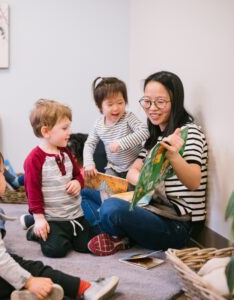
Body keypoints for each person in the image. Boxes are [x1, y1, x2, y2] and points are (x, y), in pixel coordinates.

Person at [0, 142, 119, 300]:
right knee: (33, 269)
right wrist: (30, 281)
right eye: (2, 174)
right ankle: (85, 289)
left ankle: (20, 294)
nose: (6, 179)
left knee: (14, 263)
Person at [83, 71, 208, 255]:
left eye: (160, 102)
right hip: (148, 205)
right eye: (147, 101)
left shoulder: (189, 133)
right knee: (85, 191)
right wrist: (147, 182)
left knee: (111, 207)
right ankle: (117, 235)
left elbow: (194, 181)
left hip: (177, 224)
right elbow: (133, 171)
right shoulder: (155, 136)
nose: (152, 108)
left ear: (176, 101)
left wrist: (173, 156)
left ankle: (111, 232)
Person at [22, 99, 95, 258]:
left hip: (75, 215)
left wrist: (77, 182)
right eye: (64, 128)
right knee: (55, 251)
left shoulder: (66, 152)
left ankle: (65, 234)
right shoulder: (34, 159)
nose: (70, 132)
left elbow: (77, 175)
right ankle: (35, 230)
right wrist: (40, 219)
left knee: (87, 245)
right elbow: (32, 192)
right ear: (46, 132)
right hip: (52, 218)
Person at [83, 77, 149, 179]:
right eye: (110, 104)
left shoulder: (128, 117)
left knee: (132, 191)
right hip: (113, 168)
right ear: (99, 106)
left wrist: (121, 143)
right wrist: (88, 163)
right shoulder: (98, 124)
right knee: (106, 191)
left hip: (135, 166)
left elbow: (145, 131)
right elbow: (89, 144)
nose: (116, 108)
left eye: (120, 103)